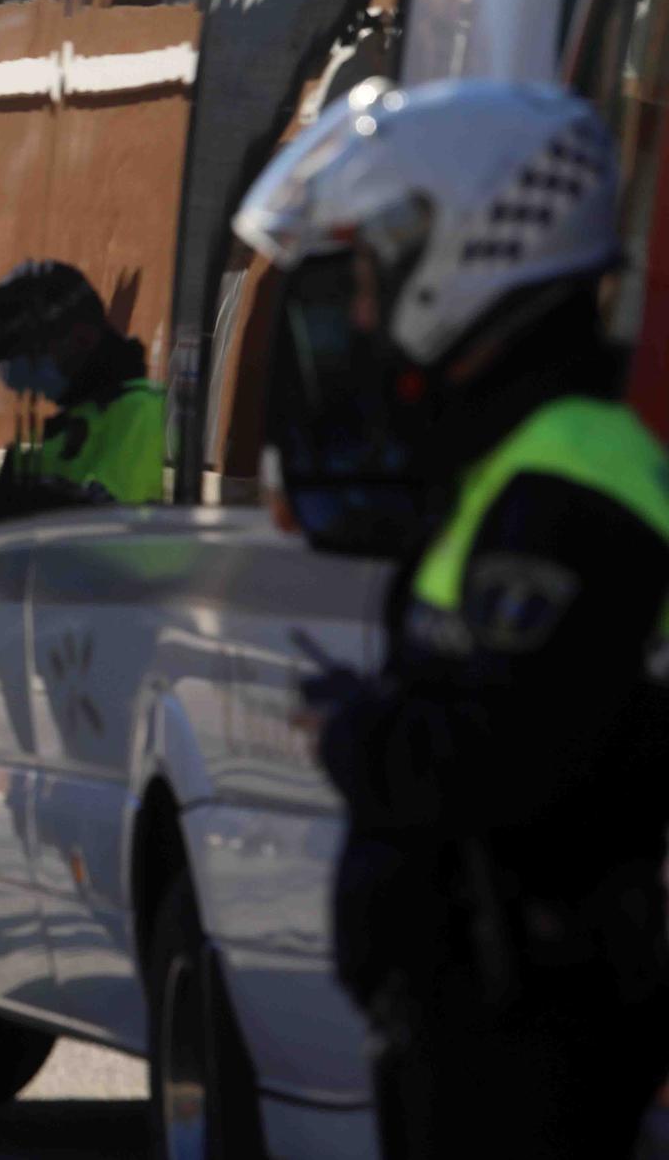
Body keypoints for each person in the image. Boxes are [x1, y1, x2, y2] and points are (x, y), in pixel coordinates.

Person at [235, 79, 669, 1159]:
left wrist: (350, 731)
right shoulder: (516, 458)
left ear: (467, 256)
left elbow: (493, 755)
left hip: (536, 1025)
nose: (369, 313)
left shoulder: (571, 484)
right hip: (483, 1014)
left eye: (378, 273)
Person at [0, 259, 163, 531]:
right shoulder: (66, 429)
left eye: (31, 355)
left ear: (82, 339)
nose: (20, 378)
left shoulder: (144, 412)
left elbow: (91, 525)